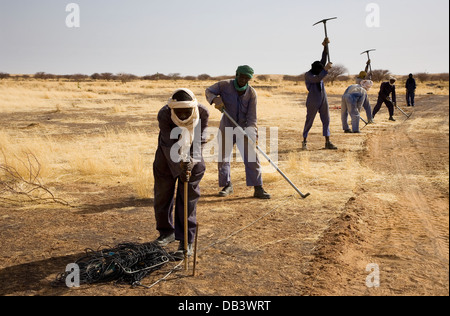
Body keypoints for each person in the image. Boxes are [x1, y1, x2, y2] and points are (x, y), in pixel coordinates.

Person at [153, 88, 209, 258]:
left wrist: (190, 163)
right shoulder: (164, 114)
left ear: (193, 108)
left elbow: (199, 141)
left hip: (193, 158)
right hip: (166, 157)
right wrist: (180, 167)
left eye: (187, 112)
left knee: (187, 200)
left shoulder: (202, 113)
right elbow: (170, 145)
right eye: (179, 112)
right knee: (163, 195)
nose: (183, 116)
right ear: (172, 109)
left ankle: (186, 241)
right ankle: (166, 232)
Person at [205, 65, 271, 199]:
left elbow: (252, 116)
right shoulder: (224, 85)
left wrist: (252, 132)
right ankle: (227, 185)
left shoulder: (252, 93)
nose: (243, 79)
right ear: (236, 74)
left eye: (247, 78)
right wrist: (215, 99)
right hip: (227, 126)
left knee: (252, 157)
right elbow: (208, 91)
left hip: (244, 128)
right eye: (242, 76)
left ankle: (258, 187)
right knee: (223, 157)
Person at [302, 38, 337, 151]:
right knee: (309, 121)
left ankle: (327, 142)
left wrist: (325, 47)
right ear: (315, 69)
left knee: (326, 120)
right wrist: (325, 70)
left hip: (323, 99)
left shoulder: (318, 70)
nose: (321, 69)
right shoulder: (309, 75)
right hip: (313, 100)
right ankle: (304, 141)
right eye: (320, 69)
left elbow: (323, 59)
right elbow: (317, 79)